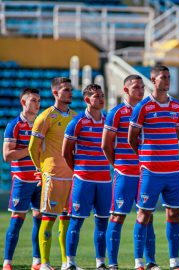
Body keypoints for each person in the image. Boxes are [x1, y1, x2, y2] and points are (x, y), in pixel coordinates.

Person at [128, 65, 179, 270]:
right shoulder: (142, 107)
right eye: (163, 77)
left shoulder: (177, 107)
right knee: (144, 214)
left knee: (174, 214)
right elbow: (131, 138)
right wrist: (145, 157)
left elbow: (175, 134)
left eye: (169, 76)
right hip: (150, 171)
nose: (167, 80)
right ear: (153, 79)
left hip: (173, 171)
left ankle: (174, 262)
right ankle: (139, 261)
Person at [103, 75, 160, 270]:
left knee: (147, 216)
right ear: (125, 90)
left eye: (142, 87)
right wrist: (117, 165)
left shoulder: (148, 110)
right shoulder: (117, 112)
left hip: (146, 173)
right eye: (136, 87)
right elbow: (106, 144)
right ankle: (112, 263)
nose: (141, 90)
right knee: (118, 216)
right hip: (125, 172)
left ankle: (146, 262)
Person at [29, 77, 77, 270]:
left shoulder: (75, 116)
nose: (70, 93)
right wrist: (40, 170)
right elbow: (33, 147)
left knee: (66, 220)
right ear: (55, 93)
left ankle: (67, 263)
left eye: (71, 89)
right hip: (52, 175)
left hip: (71, 176)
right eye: (65, 89)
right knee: (48, 218)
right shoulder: (45, 117)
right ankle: (45, 264)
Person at [62, 84, 111, 270]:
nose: (101, 99)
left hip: (105, 180)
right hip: (83, 180)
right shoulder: (77, 122)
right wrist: (78, 170)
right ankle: (70, 263)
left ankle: (100, 263)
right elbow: (65, 151)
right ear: (87, 100)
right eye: (97, 96)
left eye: (102, 95)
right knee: (77, 220)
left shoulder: (108, 121)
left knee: (102, 221)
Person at [2, 88, 42, 270]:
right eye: (33, 100)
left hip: (40, 179)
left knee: (40, 219)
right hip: (22, 179)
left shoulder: (41, 124)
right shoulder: (14, 125)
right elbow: (7, 155)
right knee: (17, 218)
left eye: (38, 100)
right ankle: (7, 262)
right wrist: (30, 149)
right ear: (23, 103)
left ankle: (37, 261)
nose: (37, 103)